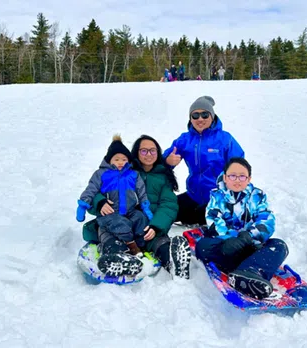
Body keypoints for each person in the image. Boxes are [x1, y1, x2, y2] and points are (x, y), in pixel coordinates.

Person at [195, 157, 289, 300]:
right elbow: (214, 220)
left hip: (250, 246)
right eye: (232, 176)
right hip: (226, 247)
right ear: (225, 178)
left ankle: (250, 272)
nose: (237, 180)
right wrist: (230, 239)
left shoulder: (257, 196)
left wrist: (248, 237)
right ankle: (248, 268)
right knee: (202, 246)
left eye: (242, 176)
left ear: (248, 178)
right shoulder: (217, 196)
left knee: (279, 246)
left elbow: (266, 220)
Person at [76, 134, 153, 276]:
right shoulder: (101, 174)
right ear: (109, 160)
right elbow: (91, 189)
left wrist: (145, 207)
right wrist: (83, 204)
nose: (120, 162)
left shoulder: (133, 175)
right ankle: (123, 254)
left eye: (124, 159)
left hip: (130, 211)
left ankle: (141, 248)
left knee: (141, 219)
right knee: (118, 226)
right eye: (116, 159)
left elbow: (141, 191)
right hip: (110, 214)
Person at [163, 96, 244, 226]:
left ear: (212, 116)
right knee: (166, 210)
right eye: (195, 115)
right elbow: (160, 164)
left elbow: (240, 168)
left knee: (204, 216)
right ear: (190, 118)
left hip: (218, 199)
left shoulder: (225, 139)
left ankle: (201, 218)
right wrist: (168, 161)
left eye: (205, 115)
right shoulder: (185, 139)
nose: (200, 119)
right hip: (193, 195)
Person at [130, 135, 192, 278]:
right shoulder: (126, 173)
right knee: (116, 237)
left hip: (150, 228)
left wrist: (156, 226)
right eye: (144, 151)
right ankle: (121, 262)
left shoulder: (163, 176)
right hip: (127, 225)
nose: (148, 154)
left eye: (152, 151)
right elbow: (100, 192)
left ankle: (173, 263)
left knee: (161, 243)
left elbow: (168, 205)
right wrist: (101, 203)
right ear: (136, 153)